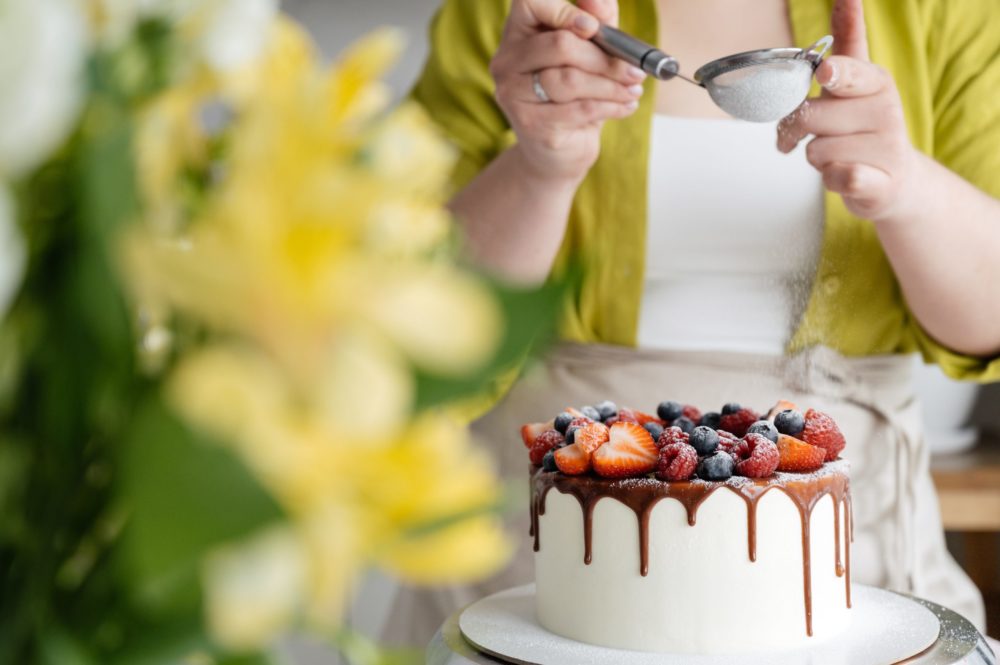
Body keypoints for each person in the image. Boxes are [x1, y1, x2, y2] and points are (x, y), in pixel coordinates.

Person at [382, 0, 1000, 645]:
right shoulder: (513, 15)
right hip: (525, 569)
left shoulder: (952, 14)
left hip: (854, 575)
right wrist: (541, 163)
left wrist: (905, 185)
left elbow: (988, 322)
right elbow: (422, 337)